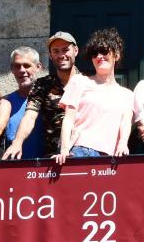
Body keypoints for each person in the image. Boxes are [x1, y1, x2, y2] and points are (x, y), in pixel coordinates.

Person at [55, 28, 134, 163]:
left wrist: (122, 144)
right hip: (81, 150)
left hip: (110, 158)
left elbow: (125, 123)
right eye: (94, 53)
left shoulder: (127, 95)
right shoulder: (79, 81)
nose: (99, 56)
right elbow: (68, 119)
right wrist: (64, 149)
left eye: (104, 51)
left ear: (116, 55)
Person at [2, 31, 81, 159]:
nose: (61, 55)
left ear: (75, 51)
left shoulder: (89, 84)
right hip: (53, 160)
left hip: (85, 157)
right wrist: (17, 143)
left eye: (65, 50)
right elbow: (30, 116)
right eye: (56, 51)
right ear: (50, 55)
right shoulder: (42, 85)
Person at [3, 47, 45, 159]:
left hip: (47, 167)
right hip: (14, 166)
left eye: (26, 65)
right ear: (12, 69)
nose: (22, 70)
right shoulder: (5, 103)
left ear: (38, 67)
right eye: (17, 66)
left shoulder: (50, 101)